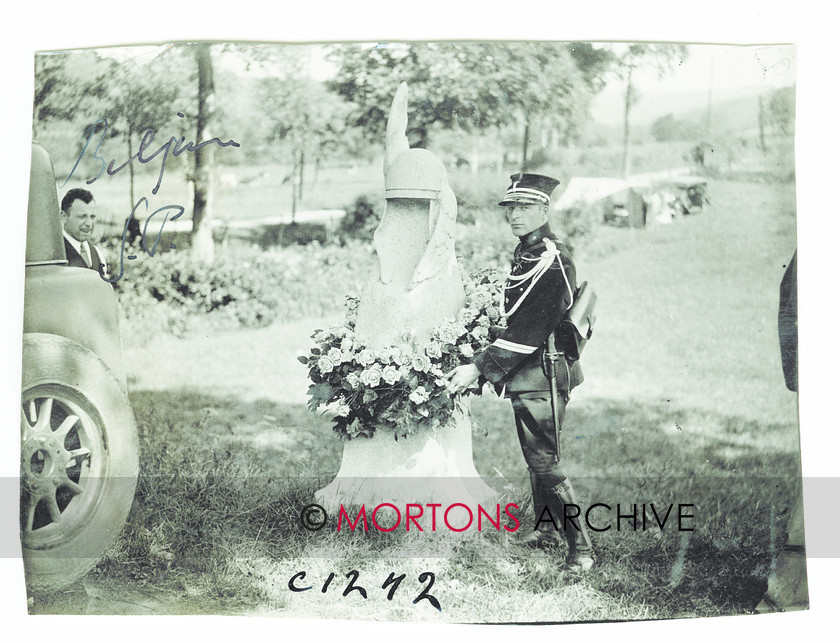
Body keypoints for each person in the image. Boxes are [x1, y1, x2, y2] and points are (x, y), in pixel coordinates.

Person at [445, 172, 595, 571]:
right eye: (510, 208)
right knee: (536, 457)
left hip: (544, 371)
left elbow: (533, 326)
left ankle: (581, 550)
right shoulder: (528, 252)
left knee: (544, 459)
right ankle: (547, 530)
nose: (514, 215)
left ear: (545, 210)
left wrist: (478, 367)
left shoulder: (553, 259)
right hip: (530, 372)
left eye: (525, 207)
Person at [60, 188, 108, 275]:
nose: (89, 224)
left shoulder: (97, 254)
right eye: (82, 216)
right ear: (64, 217)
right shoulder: (55, 254)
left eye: (92, 216)